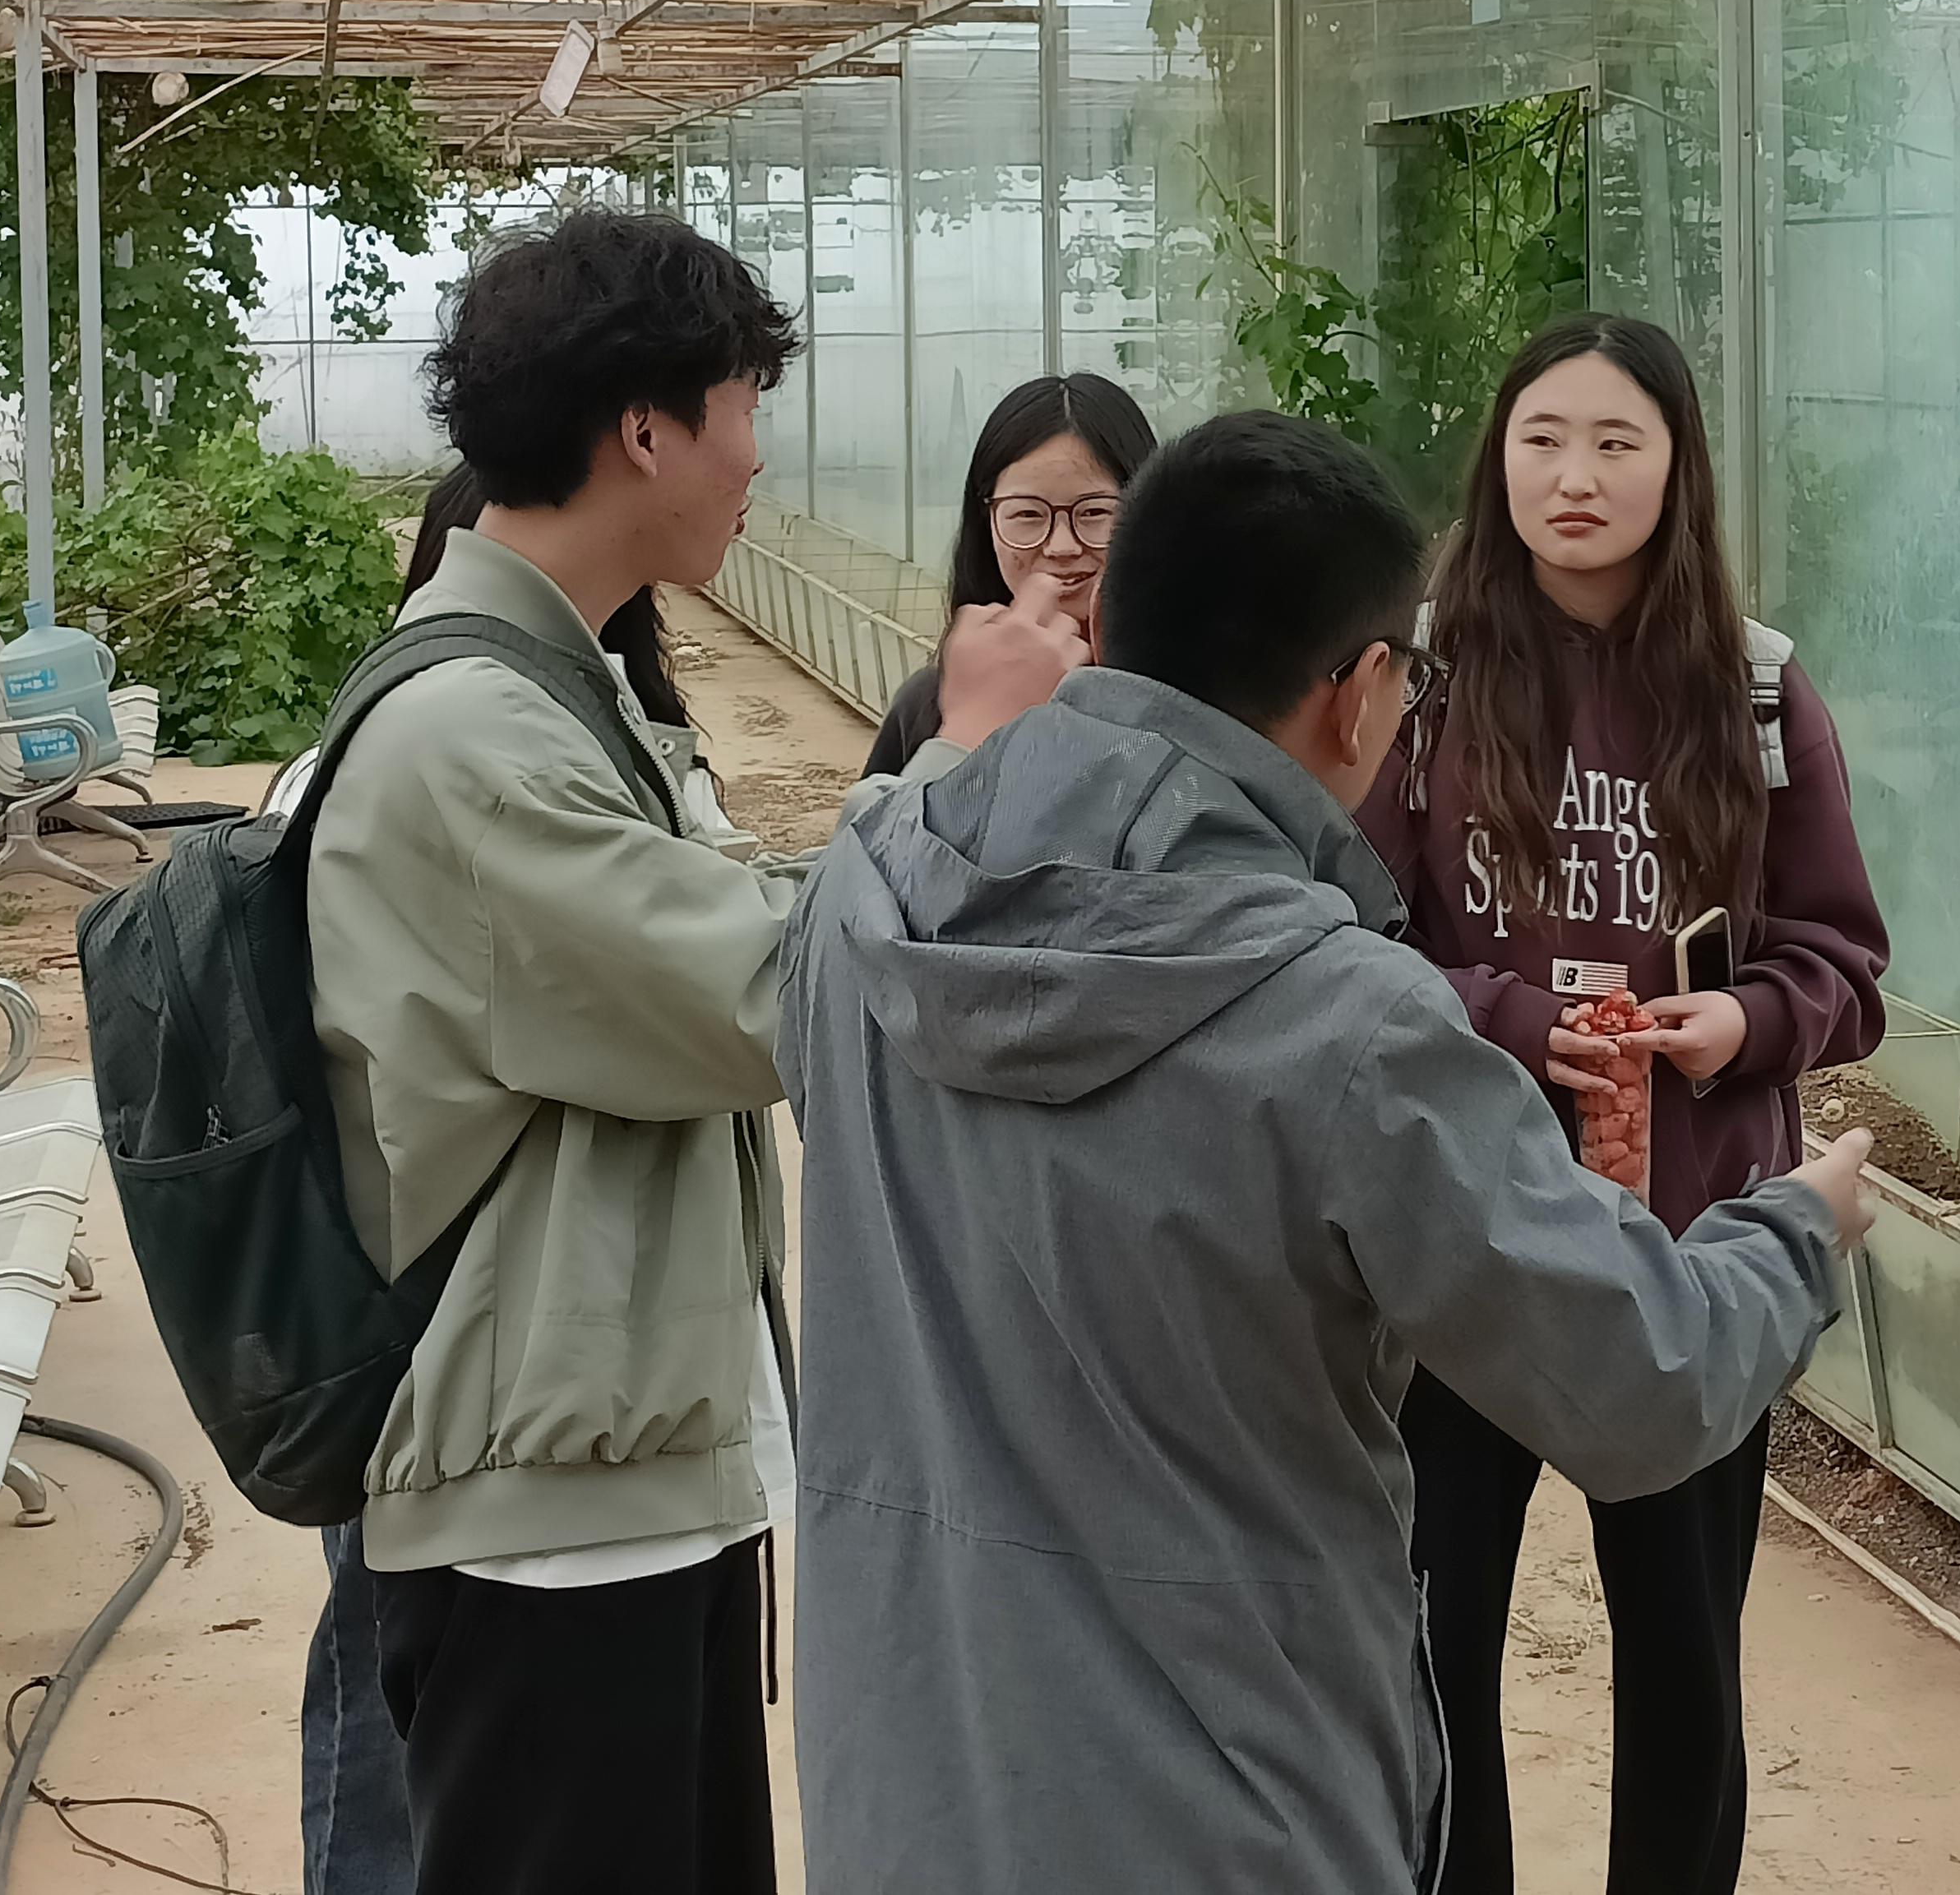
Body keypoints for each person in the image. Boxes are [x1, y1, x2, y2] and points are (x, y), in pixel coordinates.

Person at [782, 409, 1876, 1893]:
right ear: (1362, 694)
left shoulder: (862, 900)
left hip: (913, 1787)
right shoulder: (1342, 1019)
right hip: (1235, 1806)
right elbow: (1639, 1379)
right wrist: (1789, 1231)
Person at [304, 209, 805, 1895]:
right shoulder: (480, 737)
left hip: (611, 1470)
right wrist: (965, 773)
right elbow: (764, 993)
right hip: (553, 1523)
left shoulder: (548, 685)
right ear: (646, 427)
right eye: (742, 402)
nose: (754, 454)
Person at [1357, 312, 1889, 1895]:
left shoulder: (1758, 694)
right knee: (1429, 1640)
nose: (1573, 476)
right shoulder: (1422, 681)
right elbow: (1354, 947)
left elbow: (1844, 959)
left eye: (1615, 442)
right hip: (1462, 1233)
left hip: (1689, 1257)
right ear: (1495, 458)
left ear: (1677, 470)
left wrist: (1737, 1020)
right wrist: (1515, 1021)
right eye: (1541, 439)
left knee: (1680, 1656)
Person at [860, 372, 1156, 778]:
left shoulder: (1198, 701)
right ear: (987, 524)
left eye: (1095, 512)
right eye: (1028, 515)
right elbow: (877, 839)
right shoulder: (931, 706)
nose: (1062, 546)